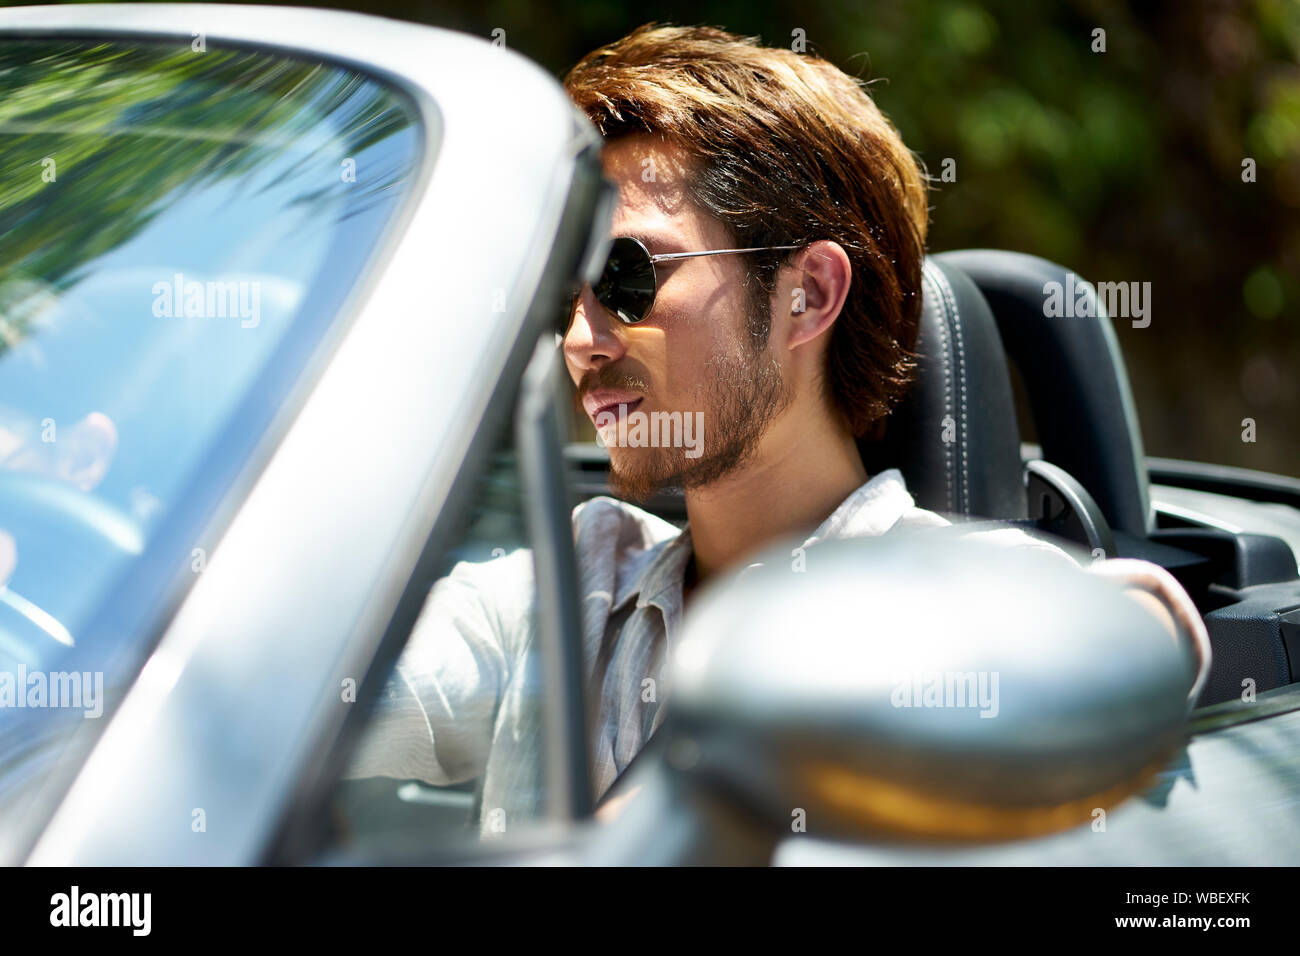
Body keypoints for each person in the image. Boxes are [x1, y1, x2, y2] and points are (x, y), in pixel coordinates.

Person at [346, 23, 1210, 834]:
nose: (580, 339)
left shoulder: (951, 591)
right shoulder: (567, 593)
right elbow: (279, 693)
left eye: (626, 276)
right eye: (562, 293)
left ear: (810, 295)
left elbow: (1133, 632)